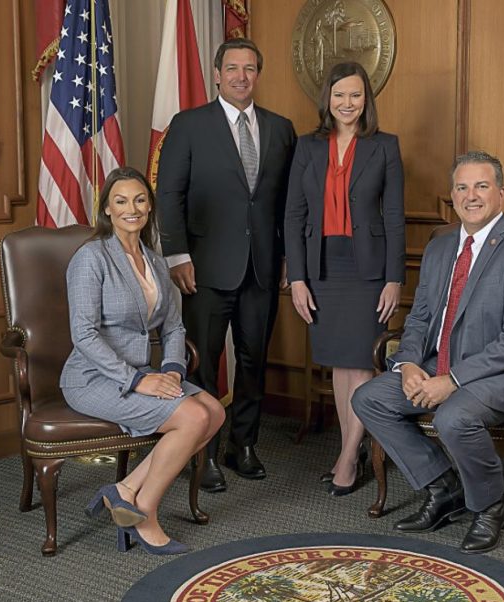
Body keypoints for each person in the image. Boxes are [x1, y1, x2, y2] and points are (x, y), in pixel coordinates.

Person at [352, 151, 504, 554]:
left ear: (501, 193)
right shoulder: (441, 248)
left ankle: (490, 506)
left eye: (481, 186)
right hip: (437, 364)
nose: (471, 196)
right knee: (369, 398)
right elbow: (421, 317)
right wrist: (408, 363)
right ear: (452, 194)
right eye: (462, 187)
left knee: (454, 416)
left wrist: (453, 380)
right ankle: (443, 487)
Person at [60, 167, 226, 556]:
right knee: (194, 417)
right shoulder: (91, 258)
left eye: (138, 200)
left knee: (214, 412)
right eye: (120, 201)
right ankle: (144, 512)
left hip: (145, 372)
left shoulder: (154, 261)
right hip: (92, 378)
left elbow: (172, 328)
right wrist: (136, 380)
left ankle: (123, 490)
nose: (131, 208)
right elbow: (83, 335)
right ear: (107, 210)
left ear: (149, 207)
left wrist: (170, 370)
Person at [157, 38, 296, 493]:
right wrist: (177, 255)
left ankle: (244, 445)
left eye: (250, 68)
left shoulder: (280, 129)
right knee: (204, 363)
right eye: (232, 68)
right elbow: (169, 194)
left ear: (259, 74)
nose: (241, 76)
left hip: (262, 267)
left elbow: (288, 204)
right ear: (216, 74)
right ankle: (204, 453)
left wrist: (287, 259)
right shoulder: (189, 125)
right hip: (204, 268)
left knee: (253, 359)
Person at [283, 62, 404, 496]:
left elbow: (393, 216)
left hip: (368, 270)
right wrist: (297, 277)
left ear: (366, 100)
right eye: (339, 95)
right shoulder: (307, 147)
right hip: (322, 270)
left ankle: (348, 457)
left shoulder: (385, 146)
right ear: (327, 100)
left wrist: (395, 278)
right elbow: (293, 215)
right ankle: (349, 447)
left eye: (355, 95)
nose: (347, 103)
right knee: (338, 363)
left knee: (360, 364)